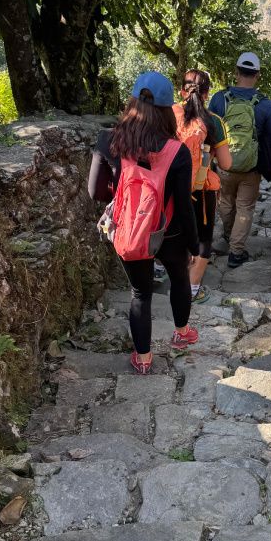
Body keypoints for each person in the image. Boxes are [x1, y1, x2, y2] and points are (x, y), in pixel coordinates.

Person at [88, 72, 199, 374]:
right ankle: (182, 332)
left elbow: (95, 192)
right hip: (170, 230)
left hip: (130, 229)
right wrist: (195, 245)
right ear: (167, 109)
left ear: (133, 101)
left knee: (140, 293)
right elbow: (185, 206)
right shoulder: (177, 152)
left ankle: (144, 357)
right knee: (179, 278)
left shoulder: (110, 140)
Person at [209, 52, 271, 268]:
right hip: (251, 167)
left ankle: (229, 236)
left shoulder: (218, 99)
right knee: (245, 207)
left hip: (224, 165)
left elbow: (208, 131)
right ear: (257, 74)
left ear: (236, 72)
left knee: (225, 202)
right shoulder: (266, 105)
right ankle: (236, 252)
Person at [174, 69, 232, 303]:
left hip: (172, 187)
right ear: (207, 94)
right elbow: (227, 163)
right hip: (202, 188)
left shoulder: (170, 114)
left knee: (174, 231)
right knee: (204, 238)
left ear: (181, 91)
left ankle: (170, 276)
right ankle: (192, 287)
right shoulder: (214, 121)